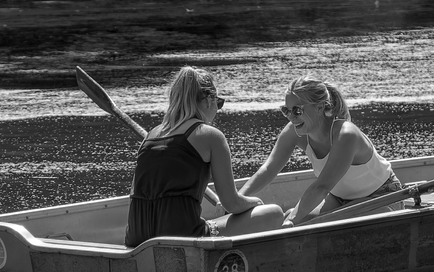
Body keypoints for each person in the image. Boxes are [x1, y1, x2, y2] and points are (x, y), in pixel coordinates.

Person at [124, 67, 286, 247]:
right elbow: (232, 203)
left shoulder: (151, 136)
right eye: (219, 102)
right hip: (182, 236)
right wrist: (255, 202)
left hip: (136, 238)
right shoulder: (210, 136)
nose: (218, 109)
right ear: (209, 100)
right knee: (273, 213)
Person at [241, 76, 401, 225]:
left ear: (319, 107)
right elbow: (268, 169)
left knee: (305, 222)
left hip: (383, 196)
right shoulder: (294, 131)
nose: (291, 116)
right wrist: (238, 199)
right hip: (339, 198)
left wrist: (290, 222)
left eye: (297, 110)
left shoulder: (346, 134)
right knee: (295, 218)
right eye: (286, 110)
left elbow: (321, 187)